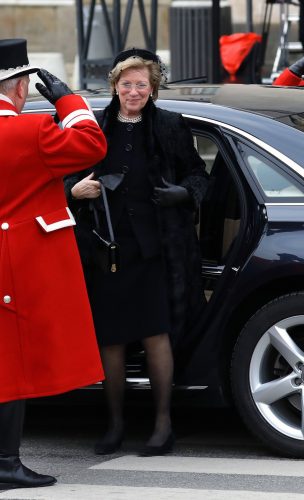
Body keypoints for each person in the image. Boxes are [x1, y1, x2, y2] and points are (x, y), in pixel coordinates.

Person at [65, 48, 208, 457]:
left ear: (152, 88)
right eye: (126, 84)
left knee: (154, 335)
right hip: (105, 247)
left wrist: (183, 193)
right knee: (110, 340)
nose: (133, 91)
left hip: (156, 248)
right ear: (115, 86)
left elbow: (199, 174)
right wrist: (73, 192)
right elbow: (65, 175)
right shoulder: (94, 126)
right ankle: (114, 424)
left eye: (141, 85)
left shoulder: (169, 126)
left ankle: (163, 424)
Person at [0, 39, 106, 489]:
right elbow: (91, 144)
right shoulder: (28, 132)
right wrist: (69, 99)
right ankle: (5, 463)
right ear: (21, 86)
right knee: (11, 369)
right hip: (18, 265)